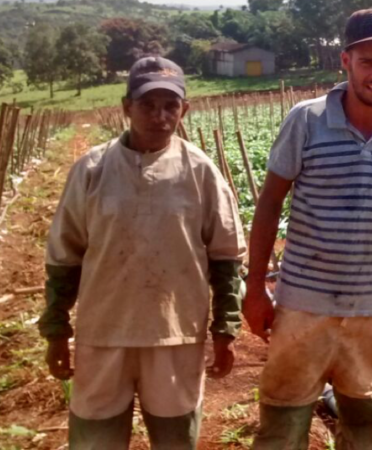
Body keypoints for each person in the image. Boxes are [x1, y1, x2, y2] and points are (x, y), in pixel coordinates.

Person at [244, 8, 372, 449]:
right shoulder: (307, 120)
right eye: (368, 62)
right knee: (283, 423)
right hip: (303, 307)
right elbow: (270, 203)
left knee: (363, 421)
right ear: (346, 61)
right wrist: (256, 285)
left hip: (370, 310)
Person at [38, 56, 246, 449]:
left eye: (170, 106)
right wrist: (56, 330)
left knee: (175, 439)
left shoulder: (199, 171)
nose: (160, 116)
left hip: (175, 333)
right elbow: (64, 257)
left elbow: (226, 257)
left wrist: (225, 329)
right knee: (95, 439)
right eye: (148, 105)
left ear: (184, 110)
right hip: (103, 332)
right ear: (126, 107)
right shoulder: (92, 169)